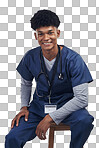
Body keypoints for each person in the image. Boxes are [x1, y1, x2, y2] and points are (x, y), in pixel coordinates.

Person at [5, 9, 94, 148]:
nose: (46, 38)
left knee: (85, 120)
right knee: (12, 137)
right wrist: (24, 106)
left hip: (67, 106)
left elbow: (81, 99)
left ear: (57, 33)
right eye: (41, 34)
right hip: (39, 107)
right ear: (36, 36)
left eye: (50, 32)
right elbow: (26, 83)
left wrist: (50, 117)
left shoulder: (73, 59)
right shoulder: (30, 57)